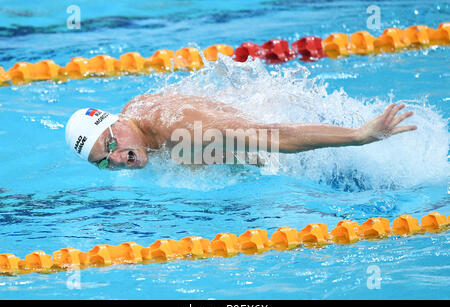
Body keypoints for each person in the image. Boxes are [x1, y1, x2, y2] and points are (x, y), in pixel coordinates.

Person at [65, 94, 417, 170]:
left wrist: (358, 136)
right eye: (104, 161)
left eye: (111, 143)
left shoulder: (182, 131)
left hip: (312, 160)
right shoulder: (133, 116)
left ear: (118, 124)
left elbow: (272, 136)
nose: (118, 158)